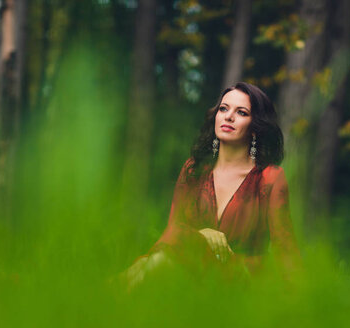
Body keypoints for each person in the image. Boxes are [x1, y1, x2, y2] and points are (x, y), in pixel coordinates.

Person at [124, 82, 300, 288]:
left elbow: (285, 248)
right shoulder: (194, 169)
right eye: (223, 109)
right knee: (164, 262)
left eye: (241, 112)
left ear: (255, 128)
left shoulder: (270, 177)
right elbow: (174, 230)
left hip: (240, 277)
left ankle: (113, 289)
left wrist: (298, 303)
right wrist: (203, 236)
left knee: (159, 264)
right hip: (188, 270)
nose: (228, 116)